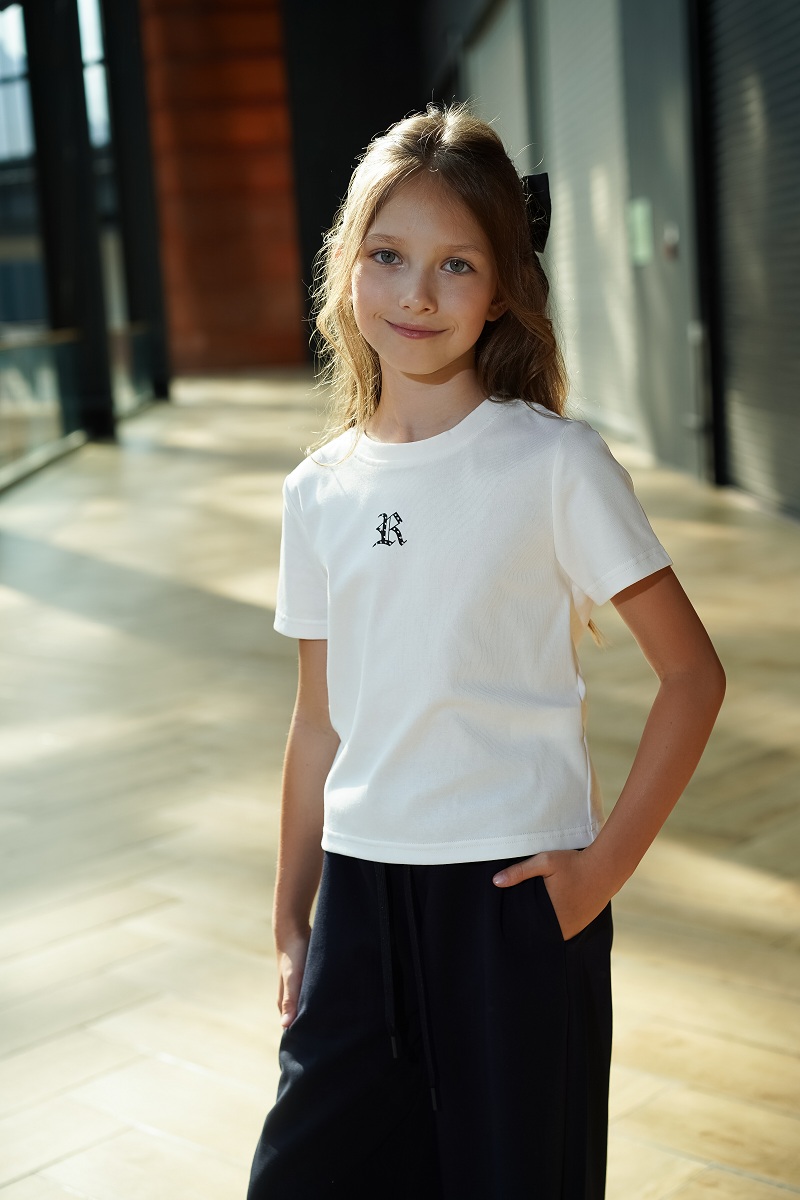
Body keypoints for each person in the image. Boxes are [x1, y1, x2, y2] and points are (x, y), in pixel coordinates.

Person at [246, 103, 725, 1199]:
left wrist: (597, 876)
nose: (416, 292)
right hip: (359, 901)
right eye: (388, 256)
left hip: (515, 898)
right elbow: (318, 721)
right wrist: (289, 916)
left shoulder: (551, 464)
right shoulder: (318, 492)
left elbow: (692, 677)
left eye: (455, 264)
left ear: (503, 286)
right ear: (346, 267)